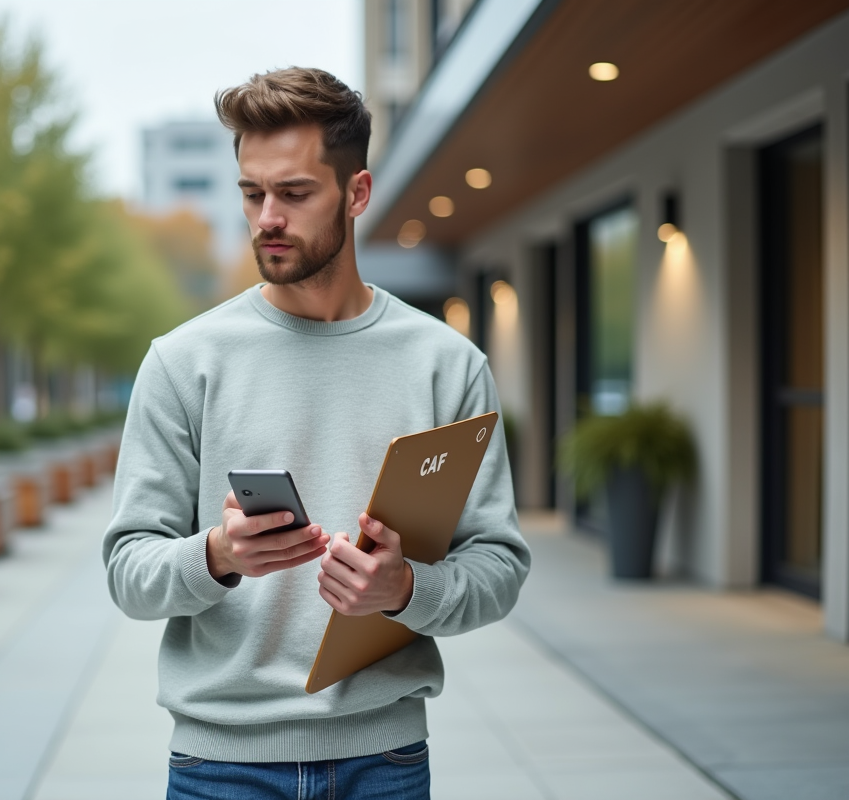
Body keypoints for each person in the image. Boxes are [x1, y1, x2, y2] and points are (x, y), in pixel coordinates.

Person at [102, 67, 530, 799]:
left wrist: (404, 589)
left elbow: (498, 566)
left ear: (356, 193)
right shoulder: (183, 362)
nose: (267, 216)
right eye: (251, 193)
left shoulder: (446, 365)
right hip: (219, 768)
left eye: (294, 194)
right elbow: (128, 572)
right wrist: (218, 554)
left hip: (384, 760)